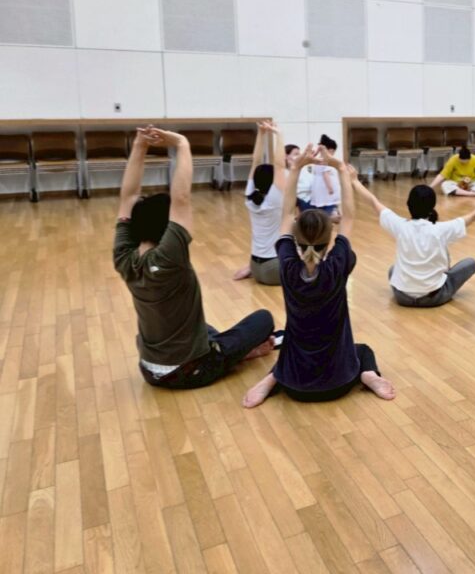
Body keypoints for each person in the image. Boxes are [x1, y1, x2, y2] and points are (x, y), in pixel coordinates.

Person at [114, 126, 275, 389]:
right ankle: (235, 355)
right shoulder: (170, 256)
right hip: (192, 370)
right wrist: (182, 144)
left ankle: (232, 351)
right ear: (167, 228)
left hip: (149, 370)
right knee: (263, 319)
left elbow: (128, 196)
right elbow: (181, 198)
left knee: (202, 326)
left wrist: (140, 146)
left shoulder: (123, 256)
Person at [242, 145, 396, 407]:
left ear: (296, 237)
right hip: (340, 383)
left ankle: (272, 378)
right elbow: (348, 216)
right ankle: (369, 375)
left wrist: (296, 167)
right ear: (329, 238)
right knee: (362, 351)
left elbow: (286, 213)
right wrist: (340, 168)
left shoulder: (287, 265)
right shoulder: (338, 265)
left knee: (290, 347)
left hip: (294, 385)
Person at [350, 180, 475, 307]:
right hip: (434, 298)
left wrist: (354, 180)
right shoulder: (441, 229)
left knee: (393, 270)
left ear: (408, 205)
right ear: (433, 206)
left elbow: (373, 201)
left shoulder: (400, 225)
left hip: (402, 297)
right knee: (470, 263)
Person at [233, 121, 287, 284]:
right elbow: (279, 165)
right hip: (274, 267)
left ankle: (249, 270)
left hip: (256, 266)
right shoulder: (274, 199)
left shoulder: (250, 196)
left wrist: (261, 134)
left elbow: (255, 161)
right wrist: (279, 134)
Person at [309, 134, 341, 217]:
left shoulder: (318, 159)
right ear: (330, 150)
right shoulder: (326, 160)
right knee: (328, 207)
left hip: (318, 189)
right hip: (325, 190)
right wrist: (330, 188)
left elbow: (311, 158)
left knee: (320, 208)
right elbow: (325, 174)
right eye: (333, 151)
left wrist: (317, 151)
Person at [285, 142, 315, 211]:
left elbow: (311, 182)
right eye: (296, 154)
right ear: (286, 156)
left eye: (299, 154)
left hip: (311, 198)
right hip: (301, 200)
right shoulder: (285, 172)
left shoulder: (303, 168)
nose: (299, 157)